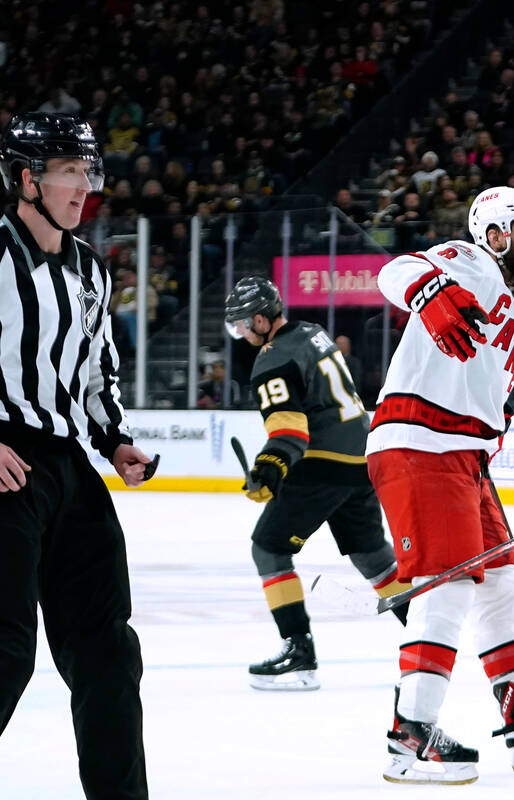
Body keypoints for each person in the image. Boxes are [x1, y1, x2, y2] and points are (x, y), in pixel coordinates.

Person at [368, 186, 514, 784]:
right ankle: (410, 736)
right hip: (420, 441)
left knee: (500, 585)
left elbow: (484, 373)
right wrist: (428, 292)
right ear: (498, 233)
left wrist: (491, 419)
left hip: (464, 454)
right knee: (447, 585)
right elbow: (396, 270)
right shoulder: (473, 261)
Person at [0, 112, 154, 799]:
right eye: (68, 169)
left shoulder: (90, 271)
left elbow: (96, 375)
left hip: (69, 467)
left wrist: (114, 439)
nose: (83, 185)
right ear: (27, 179)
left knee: (108, 654)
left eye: (87, 169)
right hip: (6, 466)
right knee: (5, 656)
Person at [222, 276, 407, 691]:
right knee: (373, 557)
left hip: (323, 465)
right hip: (361, 459)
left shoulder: (273, 358)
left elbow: (291, 430)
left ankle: (299, 654)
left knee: (268, 549)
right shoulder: (313, 333)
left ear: (259, 318)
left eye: (241, 325)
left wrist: (269, 471)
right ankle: (427, 634)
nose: (240, 334)